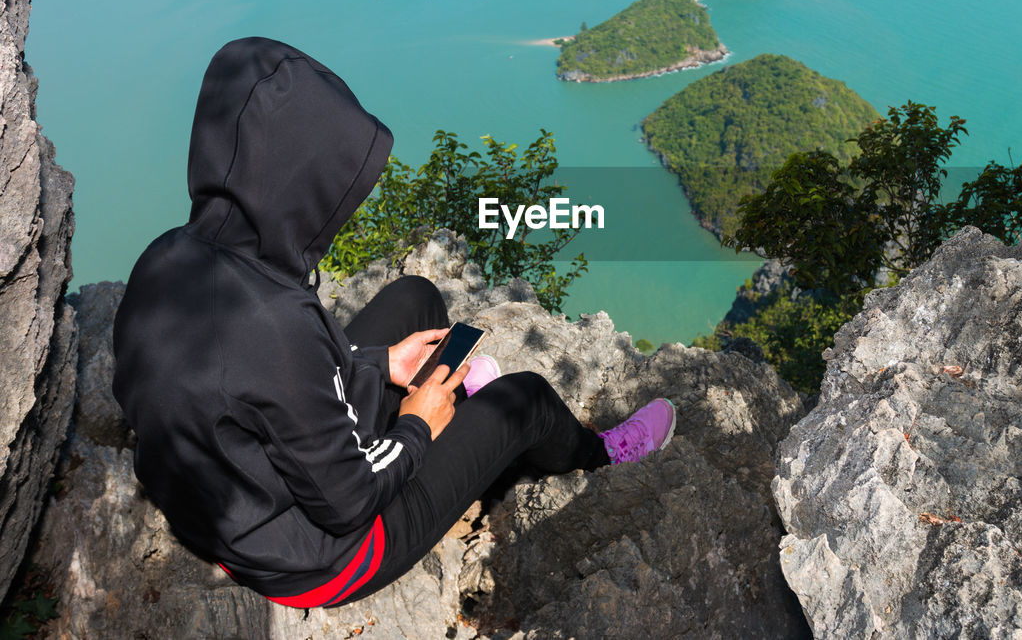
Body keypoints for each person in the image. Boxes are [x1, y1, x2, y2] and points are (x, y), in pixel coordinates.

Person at [112, 36, 676, 607]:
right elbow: (348, 501)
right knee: (523, 400)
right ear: (295, 182)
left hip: (246, 494)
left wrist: (381, 364)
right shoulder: (277, 324)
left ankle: (441, 405)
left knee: (416, 298)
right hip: (324, 553)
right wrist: (417, 425)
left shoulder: (165, 259)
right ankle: (601, 456)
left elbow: (246, 387)